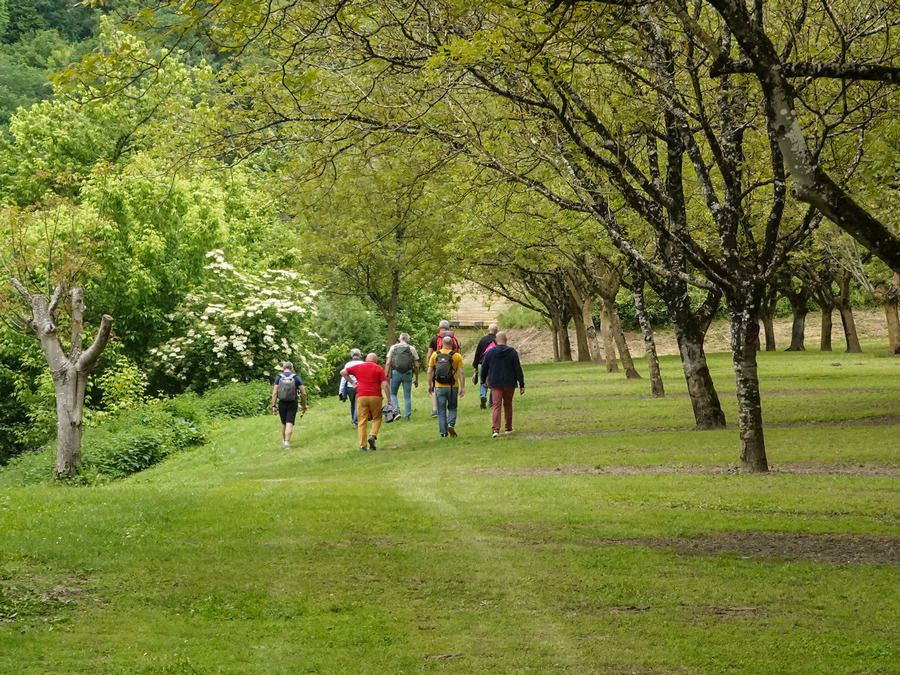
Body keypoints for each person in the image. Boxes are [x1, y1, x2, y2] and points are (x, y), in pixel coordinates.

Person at [480, 332, 525, 438]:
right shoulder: (512, 352)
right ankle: (508, 427)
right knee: (508, 404)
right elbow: (518, 369)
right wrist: (521, 384)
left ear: (496, 340)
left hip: (495, 382)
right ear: (506, 340)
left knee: (496, 405)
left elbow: (484, 368)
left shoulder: (490, 352)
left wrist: (483, 381)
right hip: (509, 382)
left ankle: (495, 429)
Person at [341, 352, 389, 451]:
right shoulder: (378, 368)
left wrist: (352, 382)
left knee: (362, 421)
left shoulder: (358, 367)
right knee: (377, 417)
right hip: (375, 396)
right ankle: (373, 435)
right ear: (375, 361)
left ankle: (363, 445)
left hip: (362, 396)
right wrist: (389, 399)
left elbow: (343, 372)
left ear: (366, 359)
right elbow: (385, 385)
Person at [427, 335, 465, 438]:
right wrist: (462, 387)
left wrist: (429, 385)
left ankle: (443, 433)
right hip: (453, 386)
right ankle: (450, 424)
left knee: (441, 411)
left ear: (441, 344)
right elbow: (461, 372)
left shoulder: (435, 355)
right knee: (452, 408)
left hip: (439, 386)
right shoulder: (457, 356)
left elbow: (430, 371)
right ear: (452, 344)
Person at [425, 319, 460, 417]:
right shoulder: (453, 339)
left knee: (435, 386)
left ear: (439, 327)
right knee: (451, 384)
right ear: (448, 328)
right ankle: (451, 408)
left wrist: (429, 365)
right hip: (452, 368)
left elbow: (429, 354)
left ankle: (435, 408)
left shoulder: (434, 338)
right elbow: (458, 354)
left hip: (437, 366)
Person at [271, 361, 308, 448]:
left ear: (283, 368)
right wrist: (304, 405)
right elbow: (303, 393)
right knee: (290, 422)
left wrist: (274, 406)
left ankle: (284, 441)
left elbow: (275, 393)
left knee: (284, 423)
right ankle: (287, 442)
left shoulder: (278, 378)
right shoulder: (296, 378)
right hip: (292, 402)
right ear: (291, 368)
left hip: (282, 403)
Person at [385, 333, 419, 420]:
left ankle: (396, 412)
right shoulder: (411, 348)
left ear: (400, 339)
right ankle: (407, 416)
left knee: (393, 394)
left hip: (395, 372)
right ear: (408, 339)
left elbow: (388, 363)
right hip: (407, 373)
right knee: (407, 396)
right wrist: (416, 378)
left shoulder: (393, 347)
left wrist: (386, 375)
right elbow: (416, 365)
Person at [471, 323, 498, 409]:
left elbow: (477, 353)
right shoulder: (498, 340)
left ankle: (483, 395)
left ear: (488, 330)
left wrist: (475, 366)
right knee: (494, 382)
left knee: (483, 380)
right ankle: (491, 402)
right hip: (495, 365)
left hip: (484, 363)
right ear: (496, 331)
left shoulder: (483, 340)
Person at [338, 348, 363, 426]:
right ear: (359, 354)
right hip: (360, 385)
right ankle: (355, 421)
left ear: (352, 355)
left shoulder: (348, 364)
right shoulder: (363, 363)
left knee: (353, 404)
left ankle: (354, 420)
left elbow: (343, 379)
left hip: (350, 387)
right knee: (358, 404)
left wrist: (341, 391)